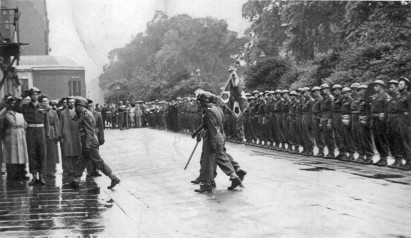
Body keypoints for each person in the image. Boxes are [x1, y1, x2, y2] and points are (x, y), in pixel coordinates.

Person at [64, 97, 120, 189]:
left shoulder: (86, 114)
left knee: (98, 162)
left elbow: (90, 132)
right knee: (82, 161)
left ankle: (114, 178)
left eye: (76, 105)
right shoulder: (83, 113)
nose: (75, 107)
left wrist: (87, 146)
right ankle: (76, 181)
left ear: (81, 106)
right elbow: (75, 119)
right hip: (87, 140)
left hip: (90, 141)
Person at [194, 91, 242, 193]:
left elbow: (211, 128)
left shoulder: (209, 111)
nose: (199, 103)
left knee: (209, 161)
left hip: (214, 136)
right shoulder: (217, 109)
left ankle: (207, 184)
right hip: (220, 134)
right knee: (220, 157)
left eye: (201, 101)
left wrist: (212, 143)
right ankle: (234, 177)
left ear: (205, 101)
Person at [12, 87, 48, 186]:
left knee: (42, 154)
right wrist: (20, 97)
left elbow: (46, 121)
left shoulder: (43, 107)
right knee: (32, 153)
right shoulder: (25, 107)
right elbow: (15, 108)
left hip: (41, 131)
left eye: (36, 94)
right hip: (31, 131)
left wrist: (47, 133)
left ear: (38, 95)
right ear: (30, 96)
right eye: (32, 94)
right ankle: (34, 177)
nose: (34, 96)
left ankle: (41, 177)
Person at [0, 95, 29, 180]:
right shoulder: (5, 113)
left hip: (20, 134)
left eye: (14, 103)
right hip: (10, 134)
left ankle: (22, 172)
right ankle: (12, 174)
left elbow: (25, 123)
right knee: (11, 155)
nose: (13, 104)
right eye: (11, 103)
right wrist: (6, 107)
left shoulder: (21, 112)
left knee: (21, 154)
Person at [40, 96, 61, 178]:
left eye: (46, 101)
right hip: (42, 133)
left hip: (51, 134)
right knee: (43, 153)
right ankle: (43, 171)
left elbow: (56, 123)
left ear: (48, 102)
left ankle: (51, 171)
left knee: (51, 153)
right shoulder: (40, 111)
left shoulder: (53, 112)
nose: (44, 103)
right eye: (43, 101)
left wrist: (57, 135)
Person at [370, 79, 390, 166]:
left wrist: (384, 117)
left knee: (382, 138)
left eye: (376, 86)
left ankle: (384, 158)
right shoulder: (374, 96)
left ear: (381, 87)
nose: (375, 87)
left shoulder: (385, 96)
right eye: (374, 86)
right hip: (375, 118)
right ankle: (381, 157)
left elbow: (387, 109)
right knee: (376, 139)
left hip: (381, 120)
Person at [60, 97, 82, 175]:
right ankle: (70, 169)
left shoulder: (78, 112)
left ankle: (76, 168)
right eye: (69, 102)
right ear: (67, 103)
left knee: (77, 151)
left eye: (73, 102)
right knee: (68, 152)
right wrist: (61, 136)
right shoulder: (63, 113)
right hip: (67, 134)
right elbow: (61, 124)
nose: (71, 104)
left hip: (76, 134)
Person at [87, 99, 104, 177]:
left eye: (91, 106)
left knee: (96, 154)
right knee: (88, 154)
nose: (91, 107)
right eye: (89, 106)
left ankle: (96, 170)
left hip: (96, 136)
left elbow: (101, 127)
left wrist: (102, 138)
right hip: (87, 137)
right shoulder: (85, 114)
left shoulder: (98, 114)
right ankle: (90, 171)